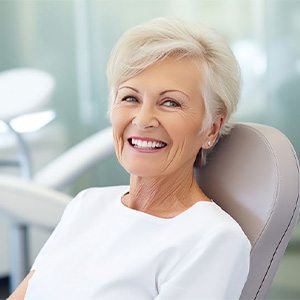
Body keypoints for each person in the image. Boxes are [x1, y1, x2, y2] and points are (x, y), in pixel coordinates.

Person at [9, 17, 250, 300]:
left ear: (211, 128)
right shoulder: (86, 204)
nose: (144, 119)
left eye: (170, 102)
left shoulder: (214, 239)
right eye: (130, 98)